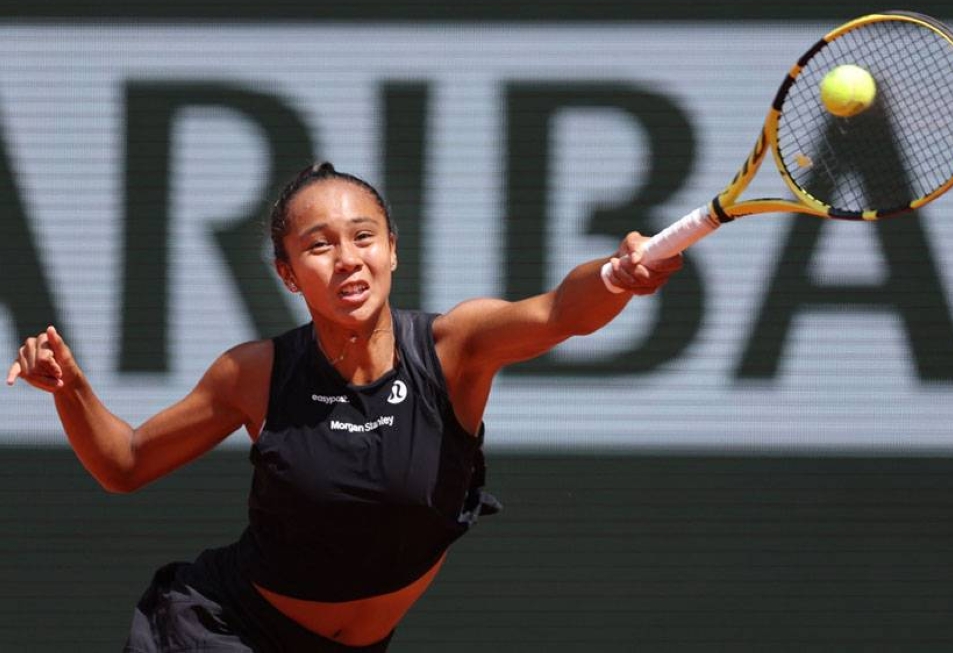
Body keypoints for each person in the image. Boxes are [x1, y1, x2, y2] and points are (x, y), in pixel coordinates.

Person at [6, 161, 683, 652]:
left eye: (363, 237)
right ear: (287, 271)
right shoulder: (253, 374)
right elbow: (124, 463)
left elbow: (563, 311)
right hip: (217, 634)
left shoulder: (456, 349)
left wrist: (615, 277)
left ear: (392, 250)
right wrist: (70, 388)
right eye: (318, 246)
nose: (347, 259)